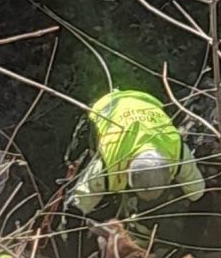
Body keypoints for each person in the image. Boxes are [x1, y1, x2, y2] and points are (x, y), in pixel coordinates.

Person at [66, 89, 205, 217]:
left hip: (148, 102)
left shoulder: (177, 152)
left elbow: (197, 191)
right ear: (127, 171)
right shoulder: (108, 167)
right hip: (105, 108)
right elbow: (78, 202)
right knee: (74, 158)